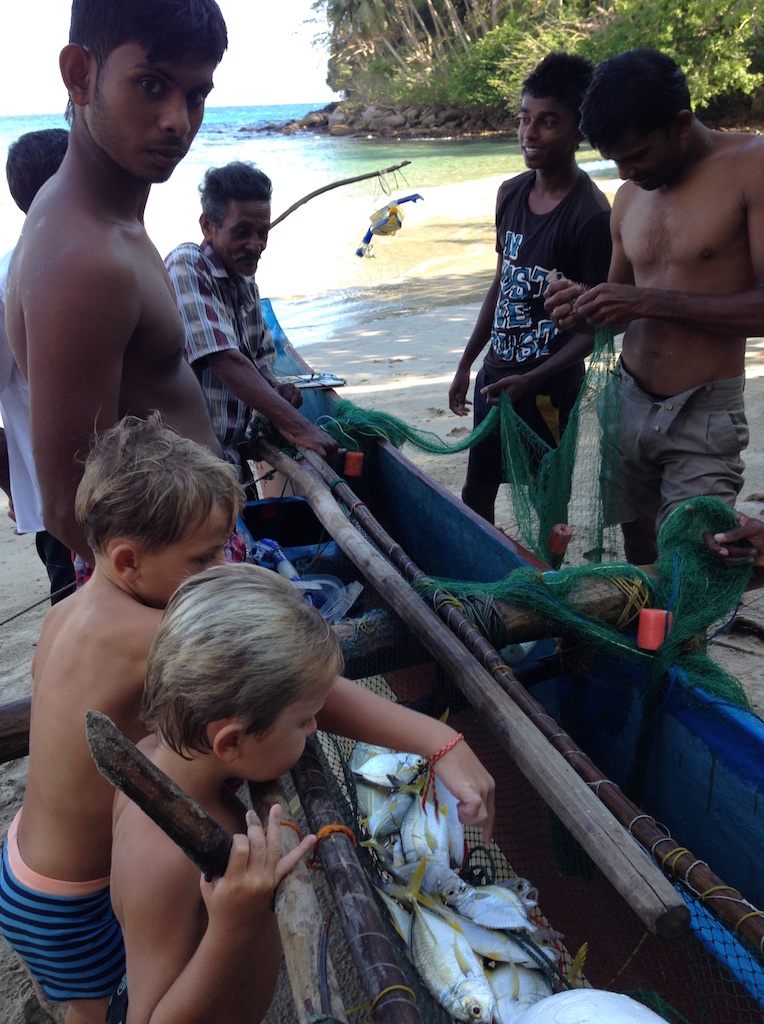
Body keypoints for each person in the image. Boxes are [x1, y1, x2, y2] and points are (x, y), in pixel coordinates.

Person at [108, 562, 495, 1023]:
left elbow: (306, 695)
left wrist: (438, 741)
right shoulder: (163, 854)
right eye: (304, 721)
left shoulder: (165, 752)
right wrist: (233, 925)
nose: (316, 726)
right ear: (230, 742)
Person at [0, 414, 244, 1024]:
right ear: (131, 561)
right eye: (205, 558)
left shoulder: (70, 612)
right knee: (107, 1010)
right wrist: (435, 740)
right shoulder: (152, 632)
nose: (220, 569)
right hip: (70, 900)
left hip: (26, 863)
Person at [5, 0, 228, 564]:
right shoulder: (86, 259)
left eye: (196, 95)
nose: (179, 119)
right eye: (152, 85)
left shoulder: (99, 215)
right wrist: (185, 596)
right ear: (80, 75)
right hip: (161, 591)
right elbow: (67, 504)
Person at [545, 49, 764, 564]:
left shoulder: (753, 167)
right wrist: (580, 304)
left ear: (681, 124)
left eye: (639, 154)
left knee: (691, 556)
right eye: (615, 160)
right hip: (625, 399)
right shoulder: (629, 197)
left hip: (701, 412)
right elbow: (621, 304)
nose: (626, 171)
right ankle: (643, 641)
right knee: (638, 543)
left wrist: (645, 300)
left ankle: (681, 645)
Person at [448, 52, 612, 524]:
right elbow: (502, 283)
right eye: (524, 119)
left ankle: (544, 584)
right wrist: (467, 363)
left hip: (549, 392)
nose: (530, 133)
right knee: (477, 488)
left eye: (548, 122)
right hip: (497, 381)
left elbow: (595, 328)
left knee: (549, 500)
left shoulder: (591, 216)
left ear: (578, 131)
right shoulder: (510, 193)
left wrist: (534, 379)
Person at [165, 161, 336, 483]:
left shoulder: (245, 282)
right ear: (208, 226)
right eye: (242, 231)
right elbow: (225, 360)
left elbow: (255, 365)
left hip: (230, 457)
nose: (256, 245)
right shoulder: (187, 265)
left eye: (262, 233)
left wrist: (278, 389)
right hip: (187, 465)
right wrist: (299, 426)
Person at [0, 128, 75, 603]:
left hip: (131, 495)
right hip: (66, 513)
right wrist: (18, 485)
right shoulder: (10, 280)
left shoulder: (101, 258)